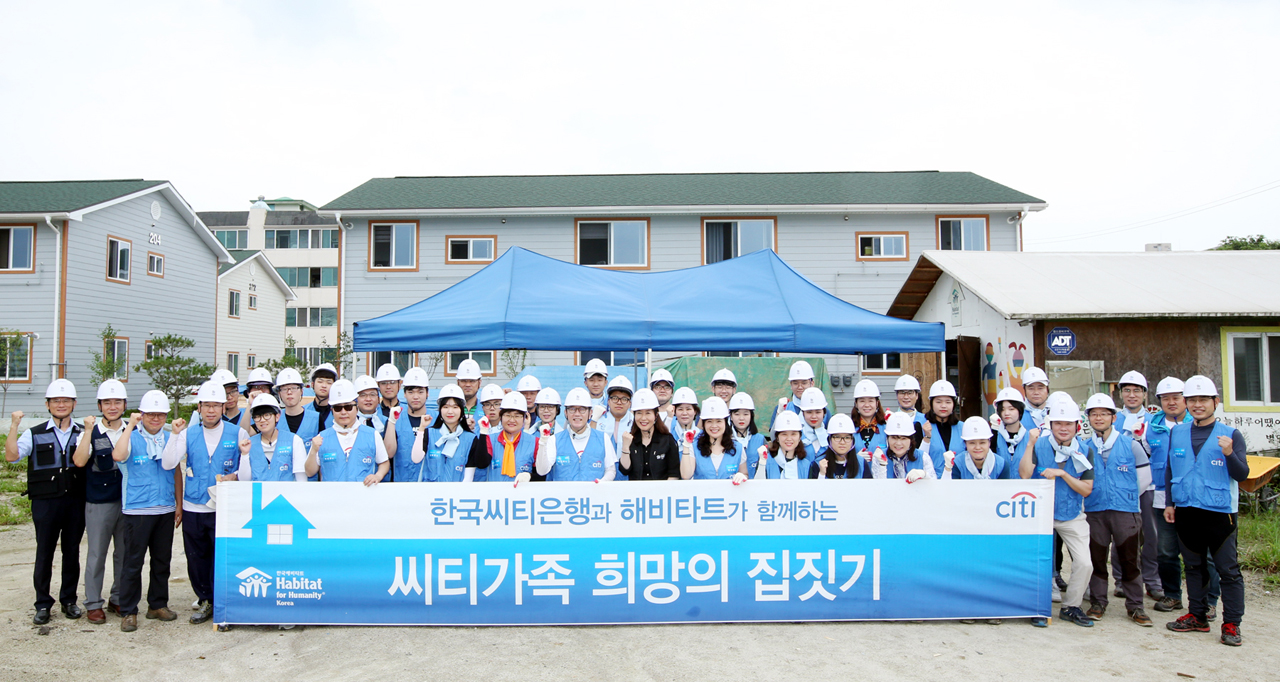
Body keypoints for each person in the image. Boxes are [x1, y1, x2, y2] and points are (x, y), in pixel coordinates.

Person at [1163, 376, 1249, 647]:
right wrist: (1169, 503)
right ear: (1186, 403)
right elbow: (1170, 469)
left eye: (1203, 400)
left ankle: (1231, 624)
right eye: (1192, 400)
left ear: (1215, 402)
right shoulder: (1177, 432)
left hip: (1219, 513)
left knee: (1228, 570)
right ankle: (1197, 616)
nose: (1197, 405)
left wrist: (1229, 453)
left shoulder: (1231, 434)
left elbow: (1242, 474)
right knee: (1193, 567)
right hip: (1186, 510)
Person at [162, 380, 245, 628]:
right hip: (194, 506)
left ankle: (223, 603)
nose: (211, 410)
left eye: (216, 405)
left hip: (224, 507)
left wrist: (235, 476)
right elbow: (168, 463)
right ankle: (205, 599)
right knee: (197, 558)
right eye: (206, 405)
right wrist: (174, 435)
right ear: (198, 407)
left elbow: (247, 469)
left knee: (223, 557)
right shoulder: (188, 434)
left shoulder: (238, 433)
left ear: (223, 407)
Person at [5, 378, 86, 625]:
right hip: (45, 502)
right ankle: (42, 603)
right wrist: (14, 425)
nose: (61, 404)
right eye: (56, 401)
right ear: (47, 404)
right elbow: (11, 456)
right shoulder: (34, 433)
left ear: (74, 404)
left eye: (66, 400)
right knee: (44, 553)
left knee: (71, 552)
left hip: (75, 501)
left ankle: (69, 600)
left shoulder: (83, 432)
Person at [1148, 377, 1220, 618]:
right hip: (1164, 499)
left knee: (1205, 554)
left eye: (1176, 397)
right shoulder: (1151, 427)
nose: (1171, 402)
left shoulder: (1201, 424)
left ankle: (1209, 601)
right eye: (1165, 398)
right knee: (1166, 551)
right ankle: (1172, 594)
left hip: (1198, 501)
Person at [1020, 396, 1094, 628]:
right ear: (1050, 425)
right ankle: (1035, 606)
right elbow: (1024, 474)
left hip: (1071, 514)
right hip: (1041, 513)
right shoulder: (1039, 444)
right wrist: (1029, 444)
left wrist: (1063, 474)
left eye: (1068, 423)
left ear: (1077, 426)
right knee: (1035, 561)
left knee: (1085, 563)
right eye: (1058, 423)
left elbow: (1086, 489)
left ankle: (1071, 606)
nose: (1063, 428)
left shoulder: (1085, 450)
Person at [1079, 393, 1152, 626]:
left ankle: (1136, 606)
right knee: (1097, 559)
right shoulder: (1084, 448)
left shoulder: (1131, 445)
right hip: (1095, 511)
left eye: (1104, 414)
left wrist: (1125, 496)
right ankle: (1098, 602)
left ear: (1114, 417)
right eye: (1094, 414)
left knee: (1130, 560)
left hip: (1125, 511)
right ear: (1088, 418)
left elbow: (1144, 478)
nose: (1099, 418)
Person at [111, 390, 179, 633]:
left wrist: (179, 504)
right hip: (137, 509)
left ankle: (157, 605)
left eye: (160, 414)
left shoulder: (170, 437)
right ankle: (129, 611)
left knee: (162, 561)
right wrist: (130, 426)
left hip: (165, 508)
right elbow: (118, 455)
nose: (156, 419)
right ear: (142, 414)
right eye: (151, 414)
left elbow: (176, 471)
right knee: (133, 563)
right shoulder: (129, 436)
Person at [70, 379, 129, 624]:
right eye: (107, 402)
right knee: (96, 554)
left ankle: (118, 597)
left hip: (128, 502)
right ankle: (93, 603)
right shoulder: (90, 432)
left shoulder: (132, 430)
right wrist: (87, 431)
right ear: (99, 405)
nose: (112, 407)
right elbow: (79, 461)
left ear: (125, 404)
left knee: (124, 554)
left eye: (117, 402)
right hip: (99, 502)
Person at [1114, 370, 1161, 601]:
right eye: (1127, 391)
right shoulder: (1113, 418)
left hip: (1149, 485)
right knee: (1122, 534)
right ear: (1121, 394)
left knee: (1151, 536)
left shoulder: (1154, 420)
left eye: (1136, 391)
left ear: (1144, 394)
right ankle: (1121, 579)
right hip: (1120, 486)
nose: (1131, 395)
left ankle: (1152, 580)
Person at [305, 379, 390, 486]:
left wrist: (377, 476)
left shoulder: (372, 435)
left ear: (356, 407)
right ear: (332, 410)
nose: (343, 412)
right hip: (331, 495)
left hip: (363, 494)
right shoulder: (322, 438)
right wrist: (313, 451)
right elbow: (309, 472)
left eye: (348, 407)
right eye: (338, 408)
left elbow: (384, 463)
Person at [539, 387, 616, 481]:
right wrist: (543, 443)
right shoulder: (555, 440)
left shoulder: (603, 438)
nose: (577, 414)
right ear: (566, 413)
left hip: (593, 490)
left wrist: (602, 482)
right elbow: (542, 471)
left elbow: (611, 470)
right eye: (572, 409)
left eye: (582, 409)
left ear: (590, 413)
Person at [412, 384, 484, 482]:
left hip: (457, 491)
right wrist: (421, 429)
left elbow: (468, 477)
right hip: (430, 491)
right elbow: (416, 459)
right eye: (446, 407)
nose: (450, 411)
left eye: (455, 407)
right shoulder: (429, 433)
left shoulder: (471, 439)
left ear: (461, 410)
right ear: (440, 409)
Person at [237, 395, 307, 482]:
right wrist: (244, 454)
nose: (262, 420)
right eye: (257, 416)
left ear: (277, 417)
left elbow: (301, 478)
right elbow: (244, 480)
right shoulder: (249, 444)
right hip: (259, 490)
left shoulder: (294, 440)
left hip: (285, 490)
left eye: (267, 415)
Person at [476, 392, 538, 484]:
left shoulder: (534, 442)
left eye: (517, 416)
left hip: (523, 492)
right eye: (508, 415)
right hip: (495, 492)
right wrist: (483, 433)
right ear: (501, 417)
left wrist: (529, 476)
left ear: (524, 418)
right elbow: (481, 464)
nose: (512, 420)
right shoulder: (490, 439)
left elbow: (542, 474)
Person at [618, 388, 679, 480]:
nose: (643, 418)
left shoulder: (667, 440)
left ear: (656, 416)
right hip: (636, 489)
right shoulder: (630, 440)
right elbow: (624, 470)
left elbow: (674, 474)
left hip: (661, 489)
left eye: (648, 413)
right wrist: (625, 447)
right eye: (639, 413)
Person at [385, 367, 434, 482]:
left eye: (420, 392)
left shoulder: (438, 419)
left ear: (427, 393)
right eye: (411, 392)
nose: (415, 397)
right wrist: (391, 422)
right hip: (402, 484)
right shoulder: (396, 418)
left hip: (431, 484)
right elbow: (389, 453)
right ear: (404, 394)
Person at [682, 397, 748, 482]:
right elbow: (686, 476)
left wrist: (742, 476)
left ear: (725, 423)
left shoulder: (738, 448)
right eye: (709, 421)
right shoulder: (695, 447)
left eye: (718, 421)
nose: (714, 426)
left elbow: (745, 474)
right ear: (704, 424)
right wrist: (686, 446)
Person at [276, 368, 323, 481]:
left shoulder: (316, 418)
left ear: (301, 391)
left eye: (294, 388)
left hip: (310, 482)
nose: (289, 392)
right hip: (282, 482)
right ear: (279, 393)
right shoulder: (275, 420)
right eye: (284, 389)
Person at [867, 411, 935, 481]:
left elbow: (934, 483)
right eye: (894, 438)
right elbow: (878, 485)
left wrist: (925, 475)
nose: (898, 443)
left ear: (911, 440)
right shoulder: (880, 456)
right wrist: (882, 466)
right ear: (887, 438)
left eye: (903, 438)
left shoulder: (923, 457)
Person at [992, 387, 1038, 479]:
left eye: (1011, 409)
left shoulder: (1031, 438)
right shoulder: (994, 436)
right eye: (1003, 409)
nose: (1006, 413)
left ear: (1020, 411)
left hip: (1024, 488)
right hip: (999, 487)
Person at [922, 380, 964, 478]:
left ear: (953, 404)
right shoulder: (922, 425)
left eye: (948, 402)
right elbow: (918, 456)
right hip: (931, 481)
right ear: (932, 403)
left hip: (958, 481)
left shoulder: (963, 428)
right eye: (938, 402)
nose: (943, 406)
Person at [946, 416, 1007, 481]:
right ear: (965, 444)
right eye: (972, 443)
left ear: (989, 442)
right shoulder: (957, 464)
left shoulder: (1001, 465)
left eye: (982, 443)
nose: (977, 447)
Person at [810, 413, 862, 479]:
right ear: (829, 440)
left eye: (847, 438)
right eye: (837, 437)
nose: (842, 442)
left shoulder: (861, 463)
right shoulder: (819, 463)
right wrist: (821, 474)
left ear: (852, 440)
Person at [729, 392, 767, 478]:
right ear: (730, 416)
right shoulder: (724, 440)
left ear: (751, 416)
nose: (741, 418)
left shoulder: (760, 440)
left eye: (746, 414)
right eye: (737, 414)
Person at [761, 411, 808, 480]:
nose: (789, 439)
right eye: (784, 434)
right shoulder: (766, 461)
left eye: (793, 434)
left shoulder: (806, 465)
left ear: (800, 437)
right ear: (777, 437)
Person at [769, 360, 814, 430]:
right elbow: (773, 435)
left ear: (812, 384)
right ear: (791, 385)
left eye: (804, 383)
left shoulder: (821, 410)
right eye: (795, 383)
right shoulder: (783, 408)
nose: (800, 387)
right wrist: (779, 413)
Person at [849, 380, 887, 460]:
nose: (866, 405)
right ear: (856, 404)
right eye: (862, 401)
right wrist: (855, 459)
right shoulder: (849, 429)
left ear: (877, 403)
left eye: (871, 401)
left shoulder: (886, 428)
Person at [596, 375, 634, 448]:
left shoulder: (635, 422)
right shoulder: (598, 420)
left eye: (624, 399)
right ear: (608, 401)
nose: (619, 402)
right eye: (615, 398)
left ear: (630, 403)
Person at [797, 386, 830, 460]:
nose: (814, 416)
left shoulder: (830, 436)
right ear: (803, 414)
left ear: (824, 413)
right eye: (809, 412)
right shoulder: (796, 436)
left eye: (818, 412)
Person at [305, 363, 339, 432]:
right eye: (320, 381)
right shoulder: (304, 411)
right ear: (312, 384)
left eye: (329, 382)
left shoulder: (340, 411)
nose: (324, 386)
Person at [454, 359, 485, 429]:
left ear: (479, 383)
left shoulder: (486, 408)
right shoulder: (450, 409)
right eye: (464, 381)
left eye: (472, 381)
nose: (468, 384)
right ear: (458, 383)